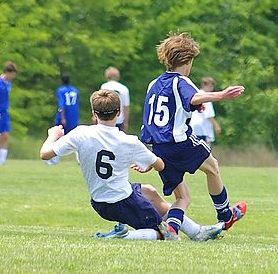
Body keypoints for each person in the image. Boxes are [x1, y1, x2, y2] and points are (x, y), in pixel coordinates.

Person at [39, 90, 223, 241]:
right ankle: (124, 236)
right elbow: (160, 164)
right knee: (163, 233)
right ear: (119, 113)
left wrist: (53, 135)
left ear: (94, 114)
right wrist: (148, 164)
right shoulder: (128, 141)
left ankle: (197, 232)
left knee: (150, 191)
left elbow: (45, 154)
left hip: (99, 202)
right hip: (124, 202)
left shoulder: (80, 133)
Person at [140, 32, 247, 238]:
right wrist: (221, 95)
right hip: (180, 143)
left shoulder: (153, 84)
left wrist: (148, 158)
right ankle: (225, 215)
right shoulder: (182, 80)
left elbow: (151, 121)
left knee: (183, 197)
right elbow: (194, 95)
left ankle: (171, 228)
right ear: (187, 60)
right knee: (213, 167)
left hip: (159, 148)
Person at [47, 73, 80, 165]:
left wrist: (62, 117)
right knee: (76, 137)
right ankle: (79, 159)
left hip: (64, 116)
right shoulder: (75, 90)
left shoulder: (61, 90)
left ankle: (54, 159)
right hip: (73, 116)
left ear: (61, 81)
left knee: (57, 136)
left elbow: (61, 105)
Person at [188, 76, 222, 143]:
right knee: (204, 150)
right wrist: (216, 125)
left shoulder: (196, 94)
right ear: (204, 85)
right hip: (202, 128)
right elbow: (208, 115)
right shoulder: (207, 96)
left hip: (193, 126)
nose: (212, 88)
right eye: (210, 85)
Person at [100, 66, 130, 131]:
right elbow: (126, 107)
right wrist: (126, 122)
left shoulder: (104, 86)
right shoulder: (124, 89)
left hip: (104, 119)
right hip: (119, 119)